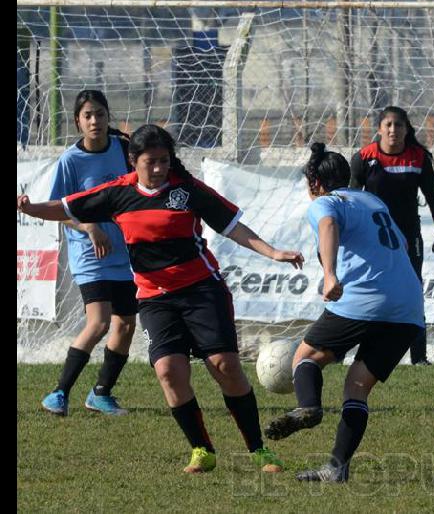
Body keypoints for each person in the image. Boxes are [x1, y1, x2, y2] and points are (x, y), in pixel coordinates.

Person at [18, 124, 304, 474]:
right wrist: (30, 209)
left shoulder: (188, 190)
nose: (158, 169)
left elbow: (231, 225)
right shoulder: (117, 193)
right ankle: (202, 450)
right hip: (155, 298)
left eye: (164, 161)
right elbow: (66, 207)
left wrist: (272, 252)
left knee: (226, 367)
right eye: (150, 162)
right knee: (169, 370)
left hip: (202, 289)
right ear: (132, 161)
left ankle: (259, 449)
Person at [264, 143, 425, 483]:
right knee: (357, 387)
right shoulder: (372, 200)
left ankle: (307, 406)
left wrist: (330, 274)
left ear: (314, 183)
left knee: (304, 358)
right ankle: (336, 468)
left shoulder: (324, 202)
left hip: (364, 299)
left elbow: (327, 225)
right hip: (409, 307)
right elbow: (404, 245)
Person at [41, 90, 137, 417]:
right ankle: (59, 393)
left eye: (100, 114)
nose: (94, 120)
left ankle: (101, 392)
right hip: (89, 254)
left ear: (108, 116)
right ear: (77, 122)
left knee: (125, 325)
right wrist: (89, 226)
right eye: (87, 116)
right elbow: (60, 209)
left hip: (124, 253)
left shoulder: (124, 150)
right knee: (98, 322)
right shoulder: (71, 160)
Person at [349, 106, 434, 366]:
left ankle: (419, 358)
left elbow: (433, 198)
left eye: (399, 125)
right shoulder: (363, 158)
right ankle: (359, 354)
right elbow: (350, 200)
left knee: (412, 292)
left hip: (408, 238)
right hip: (373, 239)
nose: (393, 129)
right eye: (388, 125)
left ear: (407, 130)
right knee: (369, 290)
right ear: (379, 129)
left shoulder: (418, 158)